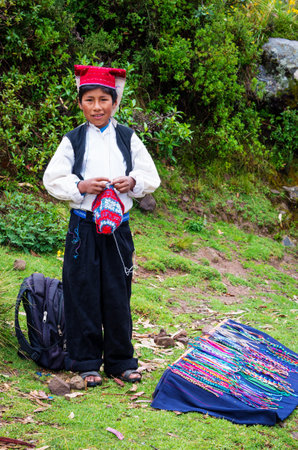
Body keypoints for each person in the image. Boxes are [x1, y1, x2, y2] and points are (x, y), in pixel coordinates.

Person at [43, 65, 160, 387]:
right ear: (80, 103)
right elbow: (52, 179)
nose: (97, 107)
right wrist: (81, 187)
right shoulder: (73, 140)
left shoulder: (127, 138)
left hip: (117, 229)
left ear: (115, 102)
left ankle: (121, 361)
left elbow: (150, 176)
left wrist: (132, 181)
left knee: (117, 292)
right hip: (83, 228)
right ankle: (85, 361)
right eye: (90, 100)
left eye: (104, 100)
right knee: (82, 291)